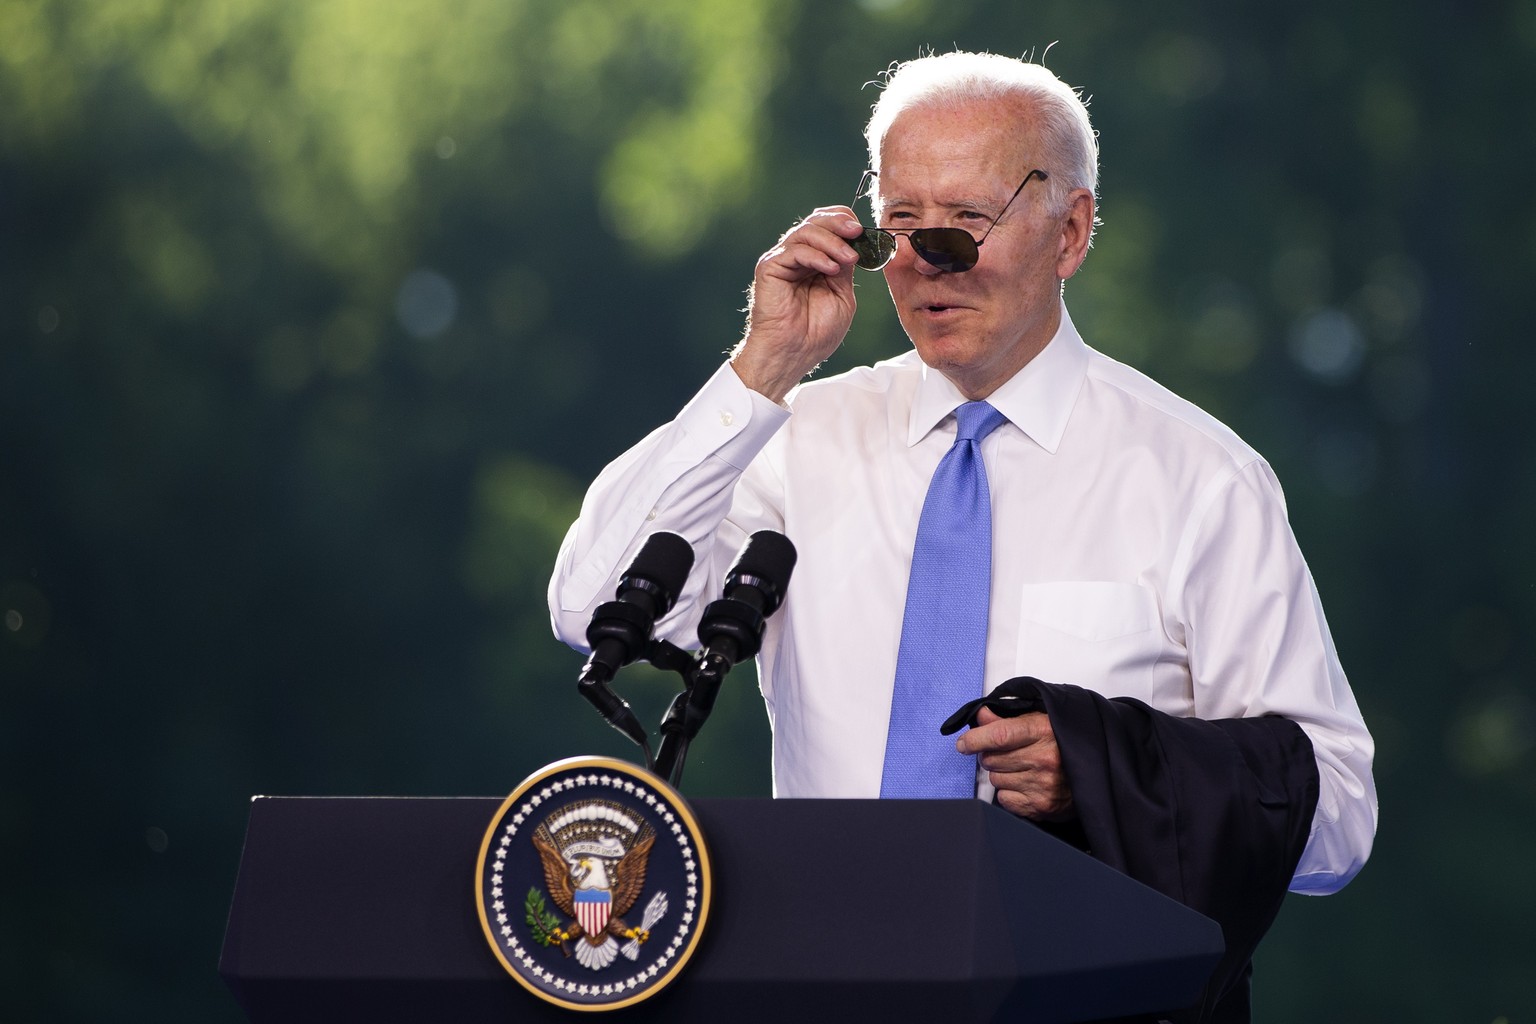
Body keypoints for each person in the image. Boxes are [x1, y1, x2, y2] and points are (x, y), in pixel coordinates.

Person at [548, 50, 1375, 1020]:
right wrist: (765, 362)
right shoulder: (793, 442)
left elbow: (1335, 825)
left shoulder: (1198, 477)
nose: (926, 259)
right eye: (900, 224)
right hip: (827, 990)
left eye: (965, 224)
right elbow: (588, 608)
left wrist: (1108, 773)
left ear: (1070, 232)